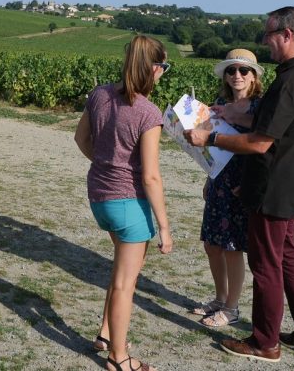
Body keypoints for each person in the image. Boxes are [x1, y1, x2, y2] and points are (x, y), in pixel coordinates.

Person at [184, 6, 294, 363]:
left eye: (269, 35)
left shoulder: (290, 80)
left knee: (266, 265)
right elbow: (278, 124)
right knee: (290, 257)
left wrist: (211, 140)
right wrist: (237, 114)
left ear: (288, 34)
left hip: (272, 189)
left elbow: (261, 142)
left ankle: (265, 342)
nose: (266, 42)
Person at [75, 35, 173, 371]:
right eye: (164, 66)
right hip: (129, 205)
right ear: (155, 68)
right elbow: (150, 177)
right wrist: (164, 227)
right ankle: (118, 358)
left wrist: (105, 163)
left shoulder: (99, 94)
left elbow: (81, 139)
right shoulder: (148, 112)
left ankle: (105, 333)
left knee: (120, 272)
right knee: (125, 283)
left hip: (99, 198)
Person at [191, 49, 264, 328]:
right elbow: (210, 148)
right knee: (212, 243)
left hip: (241, 181)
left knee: (232, 246)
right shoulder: (220, 104)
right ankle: (220, 298)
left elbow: (263, 150)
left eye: (243, 71)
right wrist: (209, 178)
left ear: (254, 76)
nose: (237, 75)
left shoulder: (260, 108)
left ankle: (232, 308)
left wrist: (247, 183)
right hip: (219, 179)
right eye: (231, 70)